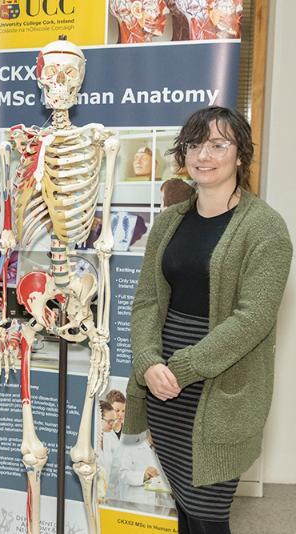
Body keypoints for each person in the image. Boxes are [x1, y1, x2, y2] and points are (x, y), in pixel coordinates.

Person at [125, 106, 292, 534]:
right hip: (164, 385)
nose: (204, 155)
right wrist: (148, 360)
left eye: (218, 144)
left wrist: (181, 368)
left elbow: (253, 319)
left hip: (220, 389)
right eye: (195, 144)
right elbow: (147, 301)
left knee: (207, 513)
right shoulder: (169, 222)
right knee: (185, 507)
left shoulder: (265, 228)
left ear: (241, 154)